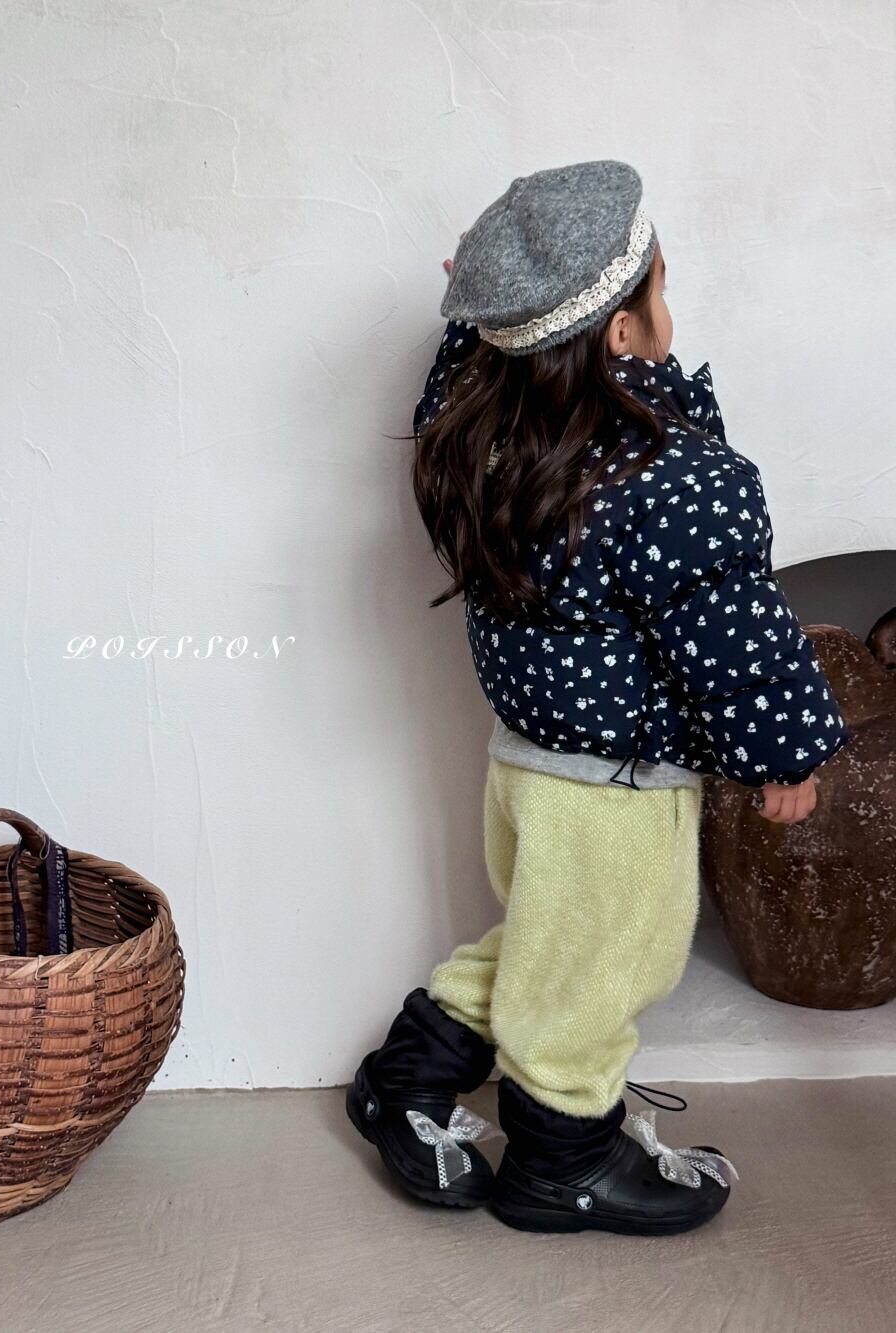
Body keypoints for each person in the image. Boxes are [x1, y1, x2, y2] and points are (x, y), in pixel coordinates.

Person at [346, 160, 851, 1236]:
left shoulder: (485, 435)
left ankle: (403, 1079)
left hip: (527, 762)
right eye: (660, 288)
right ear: (622, 330)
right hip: (616, 786)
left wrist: (474, 317)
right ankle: (562, 1159)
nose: (670, 307)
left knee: (550, 940)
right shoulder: (675, 478)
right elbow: (732, 630)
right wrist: (785, 753)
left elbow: (456, 379)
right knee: (608, 962)